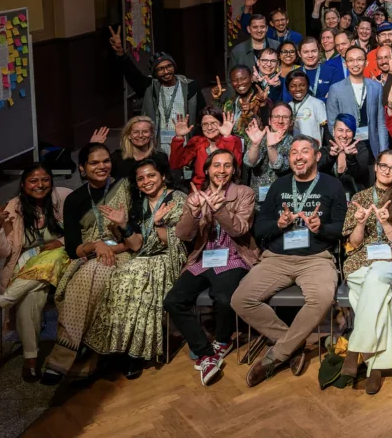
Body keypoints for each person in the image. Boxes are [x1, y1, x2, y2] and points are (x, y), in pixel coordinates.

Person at [235, 134, 347, 386]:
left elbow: (343, 228)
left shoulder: (332, 186)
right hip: (277, 258)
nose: (298, 156)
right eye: (294, 152)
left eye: (305, 151)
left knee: (322, 298)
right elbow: (260, 229)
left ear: (317, 156)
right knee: (240, 300)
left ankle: (276, 355)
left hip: (316, 258)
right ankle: (293, 346)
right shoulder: (279, 185)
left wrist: (322, 228)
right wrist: (278, 224)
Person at [84, 157, 189, 378]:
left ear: (162, 176)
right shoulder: (139, 205)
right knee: (118, 279)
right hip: (144, 256)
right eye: (140, 179)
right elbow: (136, 245)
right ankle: (113, 348)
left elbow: (173, 241)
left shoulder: (177, 199)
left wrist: (159, 223)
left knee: (139, 277)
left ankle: (137, 353)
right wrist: (123, 224)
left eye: (151, 175)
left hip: (168, 256)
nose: (146, 181)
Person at [164, 148, 257, 386]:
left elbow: (239, 230)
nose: (221, 171)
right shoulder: (196, 195)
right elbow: (183, 235)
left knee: (225, 298)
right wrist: (193, 213)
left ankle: (223, 341)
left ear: (234, 170)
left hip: (234, 256)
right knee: (173, 300)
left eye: (227, 166)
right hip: (204, 258)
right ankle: (206, 353)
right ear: (207, 170)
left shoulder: (244, 193)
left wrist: (219, 209)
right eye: (216, 165)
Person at [42, 143, 133, 383]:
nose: (101, 166)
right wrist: (95, 246)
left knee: (95, 274)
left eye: (105, 161)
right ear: (82, 169)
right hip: (88, 255)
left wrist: (111, 246)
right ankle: (85, 355)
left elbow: (136, 237)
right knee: (88, 275)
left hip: (123, 251)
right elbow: (73, 248)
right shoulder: (74, 199)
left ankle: (63, 356)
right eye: (94, 163)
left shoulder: (125, 188)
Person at [0, 164, 71, 382]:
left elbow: (82, 232)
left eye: (45, 179)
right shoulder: (13, 207)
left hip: (62, 258)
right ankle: (31, 358)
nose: (40, 185)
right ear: (24, 184)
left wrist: (61, 241)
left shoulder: (63, 197)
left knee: (53, 257)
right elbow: (2, 253)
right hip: (26, 261)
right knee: (29, 295)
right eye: (33, 181)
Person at [339, 150, 392, 394]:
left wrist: (385, 223)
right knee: (379, 296)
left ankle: (354, 352)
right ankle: (376, 364)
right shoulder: (360, 198)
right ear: (375, 167)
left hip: (389, 259)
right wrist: (361, 222)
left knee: (375, 279)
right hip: (359, 262)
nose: (386, 170)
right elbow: (353, 243)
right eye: (383, 165)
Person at [108, 33, 205, 152]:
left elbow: (202, 114)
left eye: (169, 66)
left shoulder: (191, 86)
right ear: (154, 73)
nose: (166, 71)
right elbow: (133, 75)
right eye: (160, 69)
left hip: (186, 139)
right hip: (159, 142)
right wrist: (121, 54)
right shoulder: (150, 87)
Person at [324, 47, 387, 155]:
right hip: (347, 145)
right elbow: (332, 123)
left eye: (359, 59)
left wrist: (383, 151)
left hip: (372, 145)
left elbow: (381, 123)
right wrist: (342, 147)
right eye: (351, 60)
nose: (355, 64)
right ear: (345, 64)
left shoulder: (376, 87)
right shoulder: (336, 89)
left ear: (366, 63)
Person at [168, 110, 243, 191]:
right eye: (205, 124)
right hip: (200, 192)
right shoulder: (197, 141)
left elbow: (236, 165)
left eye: (214, 123)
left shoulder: (233, 140)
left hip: (226, 190)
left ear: (222, 124)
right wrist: (179, 137)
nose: (209, 128)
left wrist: (227, 137)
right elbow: (175, 164)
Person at [319, 113, 372, 195]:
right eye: (340, 130)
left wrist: (351, 158)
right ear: (333, 131)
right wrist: (331, 158)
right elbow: (319, 174)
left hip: (356, 197)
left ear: (353, 133)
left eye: (348, 131)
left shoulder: (361, 150)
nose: (344, 135)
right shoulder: (325, 151)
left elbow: (359, 175)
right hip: (329, 196)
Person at [107, 116, 171, 184]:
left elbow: (166, 184)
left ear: (151, 134)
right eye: (136, 132)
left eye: (145, 131)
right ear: (129, 135)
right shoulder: (116, 158)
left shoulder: (161, 158)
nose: (140, 135)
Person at [285, 69, 329, 142]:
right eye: (293, 86)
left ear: (308, 86)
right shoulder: (287, 107)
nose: (298, 89)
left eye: (302, 85)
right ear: (288, 88)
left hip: (313, 149)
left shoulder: (317, 104)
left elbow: (326, 128)